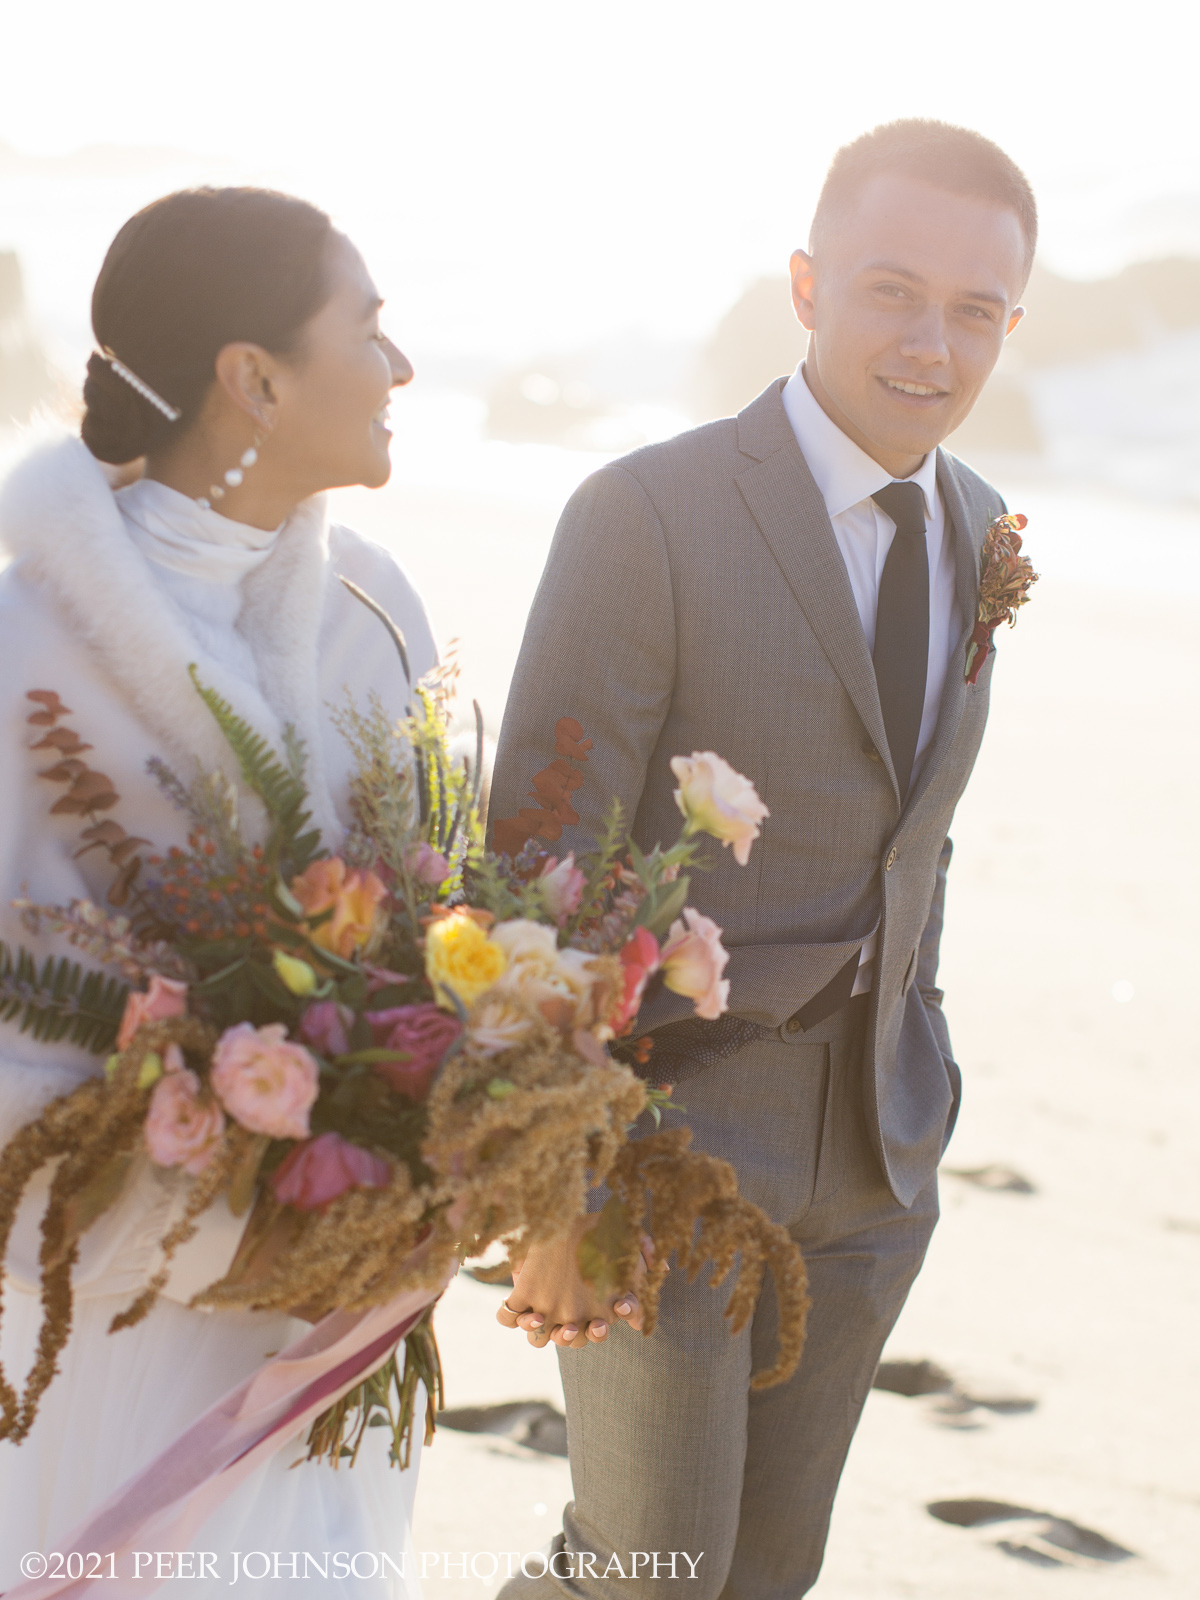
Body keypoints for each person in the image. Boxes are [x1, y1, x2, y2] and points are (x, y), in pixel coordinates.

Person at [489, 120, 1036, 1597]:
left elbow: (912, 830)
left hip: (875, 1154)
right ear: (804, 284)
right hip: (660, 1142)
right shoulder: (647, 515)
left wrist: (914, 1079)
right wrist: (551, 1190)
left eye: (978, 309)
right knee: (644, 1570)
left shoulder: (982, 529)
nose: (933, 342)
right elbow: (531, 871)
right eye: (890, 290)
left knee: (762, 1581)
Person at [0, 187, 436, 1597]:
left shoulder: (377, 616)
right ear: (252, 377)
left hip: (322, 1314)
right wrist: (170, 1178)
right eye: (368, 329)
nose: (402, 368)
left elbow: (444, 934)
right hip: (96, 1311)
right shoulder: (25, 646)